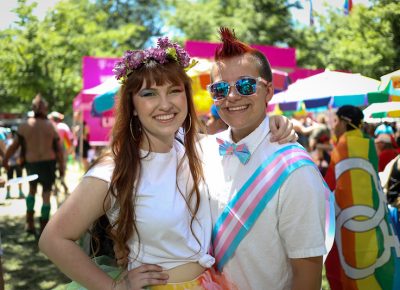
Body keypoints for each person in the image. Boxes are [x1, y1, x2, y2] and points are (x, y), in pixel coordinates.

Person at [39, 37, 295, 290]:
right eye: (149, 94)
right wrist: (114, 287)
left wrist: (274, 123)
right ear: (133, 105)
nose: (165, 104)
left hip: (210, 283)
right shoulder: (114, 169)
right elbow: (53, 239)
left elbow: (241, 135)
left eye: (174, 91)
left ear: (186, 97)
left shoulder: (197, 148)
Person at [200, 27, 333, 289]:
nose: (232, 96)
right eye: (220, 89)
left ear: (268, 91)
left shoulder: (296, 170)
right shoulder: (203, 151)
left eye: (246, 85)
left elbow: (306, 277)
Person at [324, 105, 400, 290]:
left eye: (336, 122)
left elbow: (329, 186)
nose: (334, 127)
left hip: (349, 219)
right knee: (375, 260)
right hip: (373, 214)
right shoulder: (368, 142)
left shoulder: (343, 145)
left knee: (351, 266)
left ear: (344, 121)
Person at [2, 94, 64, 235]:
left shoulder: (25, 126)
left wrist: (5, 160)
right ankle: (43, 227)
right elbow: (59, 151)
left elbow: (14, 146)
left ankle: (30, 223)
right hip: (48, 164)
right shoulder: (51, 126)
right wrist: (62, 167)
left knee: (32, 191)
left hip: (32, 164)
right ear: (45, 109)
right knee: (46, 195)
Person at [4, 130, 25, 199]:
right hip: (14, 163)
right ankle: (18, 192)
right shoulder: (12, 142)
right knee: (18, 178)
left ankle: (9, 193)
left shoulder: (7, 142)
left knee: (11, 179)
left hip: (12, 163)